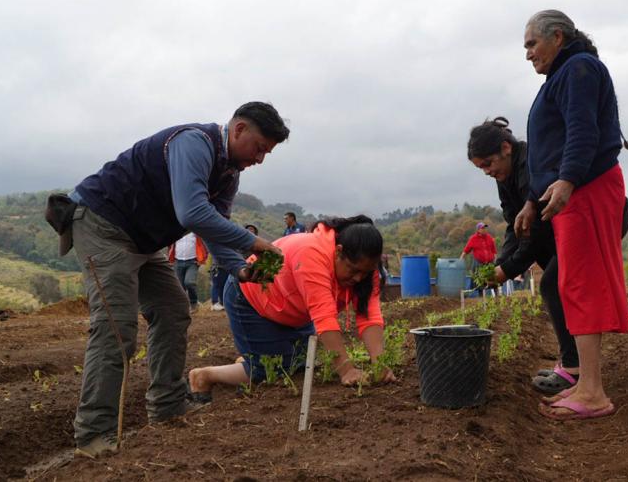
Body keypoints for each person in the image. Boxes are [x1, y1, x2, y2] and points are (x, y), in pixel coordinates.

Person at [47, 102, 289, 458]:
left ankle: (167, 406)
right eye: (258, 148)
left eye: (267, 153)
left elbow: (214, 227)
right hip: (103, 225)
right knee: (117, 327)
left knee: (174, 309)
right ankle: (94, 435)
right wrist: (252, 241)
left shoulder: (228, 173)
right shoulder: (194, 143)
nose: (260, 159)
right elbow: (191, 212)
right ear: (238, 130)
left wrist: (239, 267)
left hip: (142, 240)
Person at [517, 10, 628, 420]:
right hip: (572, 191)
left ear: (557, 37)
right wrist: (532, 198)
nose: (528, 53)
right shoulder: (560, 76)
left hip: (586, 188)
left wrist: (567, 180)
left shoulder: (579, 68)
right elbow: (549, 146)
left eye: (532, 44)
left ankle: (593, 392)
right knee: (570, 283)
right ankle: (585, 383)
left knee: (581, 283)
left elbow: (583, 132)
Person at [188, 216, 397, 398]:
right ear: (338, 252)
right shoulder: (312, 255)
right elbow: (324, 318)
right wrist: (347, 370)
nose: (358, 277)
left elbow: (369, 316)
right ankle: (205, 375)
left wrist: (379, 364)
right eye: (353, 270)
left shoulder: (368, 273)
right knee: (272, 371)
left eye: (365, 272)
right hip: (250, 297)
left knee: (300, 364)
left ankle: (252, 356)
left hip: (290, 309)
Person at [467, 117, 579, 395]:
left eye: (488, 164)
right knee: (558, 290)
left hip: (577, 226)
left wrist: (506, 270)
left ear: (506, 147)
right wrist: (501, 262)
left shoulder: (532, 162)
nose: (487, 172)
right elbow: (514, 224)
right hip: (556, 234)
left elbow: (537, 226)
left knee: (552, 285)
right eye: (481, 168)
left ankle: (575, 369)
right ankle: (573, 363)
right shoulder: (505, 175)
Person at [168, 232, 208, 312]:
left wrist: (202, 259)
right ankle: (182, 306)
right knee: (180, 286)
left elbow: (205, 246)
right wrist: (171, 259)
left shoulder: (195, 231)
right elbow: (170, 246)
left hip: (192, 262)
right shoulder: (175, 231)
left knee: (189, 283)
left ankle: (194, 302)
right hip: (178, 261)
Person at [459, 222, 498, 288]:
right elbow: (466, 250)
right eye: (482, 228)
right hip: (479, 263)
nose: (484, 229)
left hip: (489, 264)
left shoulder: (489, 237)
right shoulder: (473, 238)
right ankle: (481, 296)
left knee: (493, 281)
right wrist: (460, 261)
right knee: (479, 282)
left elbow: (494, 251)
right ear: (478, 230)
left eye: (485, 228)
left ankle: (497, 296)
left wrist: (496, 262)